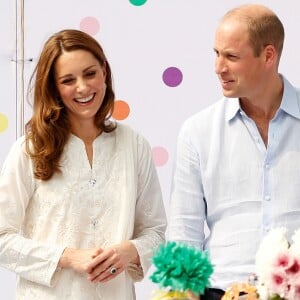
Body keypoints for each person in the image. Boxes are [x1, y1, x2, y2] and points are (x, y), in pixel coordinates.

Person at [0, 29, 167, 300]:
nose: (82, 87)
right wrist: (66, 257)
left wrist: (130, 251)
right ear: (54, 88)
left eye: (90, 73)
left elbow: (155, 233)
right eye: (68, 80)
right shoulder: (29, 150)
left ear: (104, 71)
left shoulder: (134, 145)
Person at [168, 4, 300, 300]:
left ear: (268, 55)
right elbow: (184, 234)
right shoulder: (197, 131)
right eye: (216, 53)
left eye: (231, 56)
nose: (218, 67)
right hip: (219, 292)